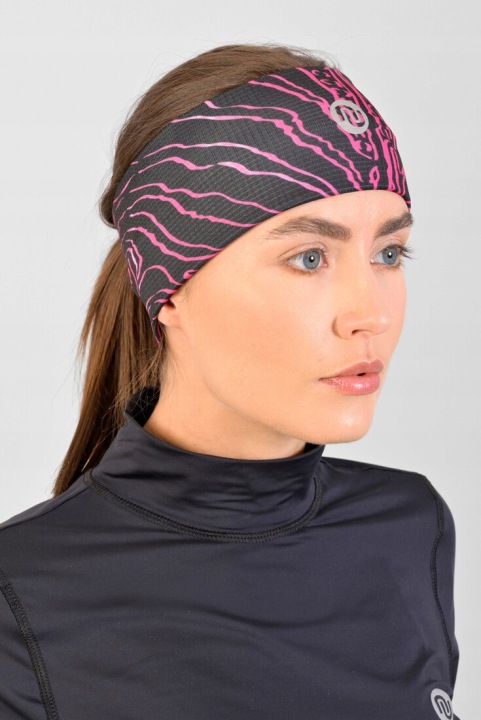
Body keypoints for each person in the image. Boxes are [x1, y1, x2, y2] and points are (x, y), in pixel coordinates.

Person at [0, 43, 459, 719]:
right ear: (170, 291)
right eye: (309, 258)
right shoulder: (20, 601)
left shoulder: (408, 526)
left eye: (388, 253)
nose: (373, 314)